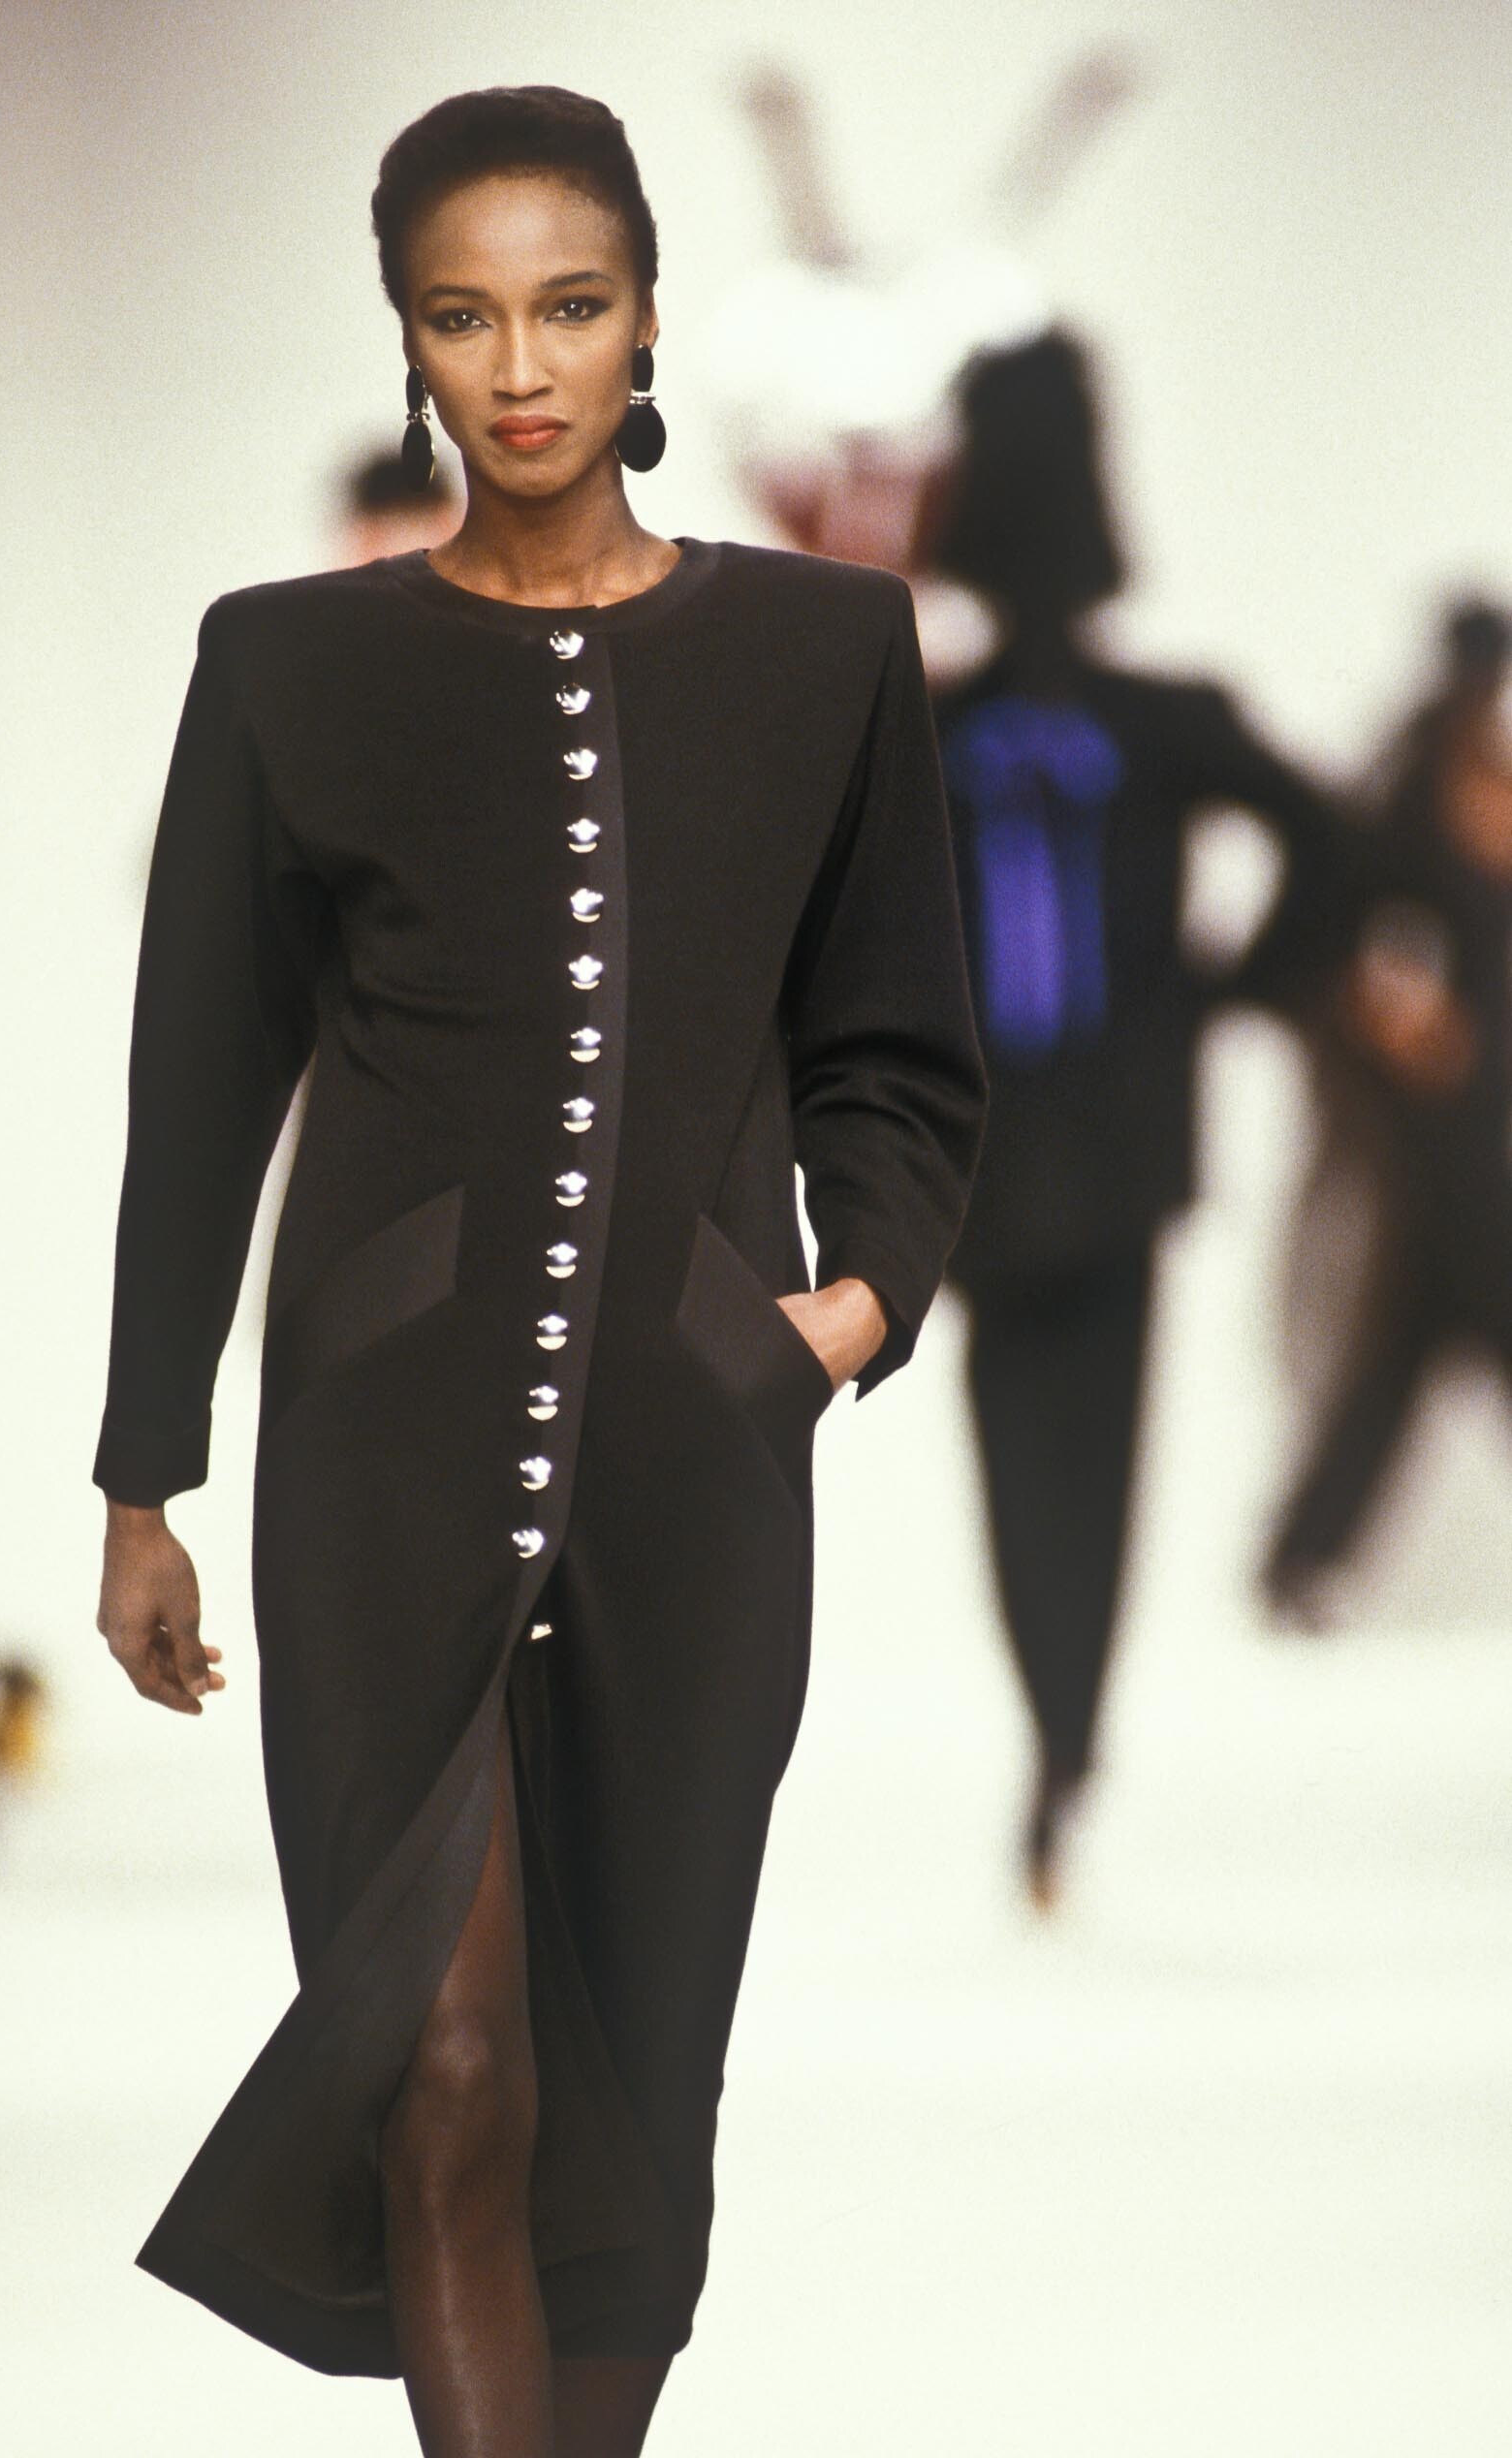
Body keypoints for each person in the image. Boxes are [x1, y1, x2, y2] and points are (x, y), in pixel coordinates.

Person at [91, 83, 985, 2458]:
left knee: (640, 2106)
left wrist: (843, 1311)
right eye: (461, 316)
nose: (518, 367)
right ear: (405, 338)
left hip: (697, 1454)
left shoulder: (821, 649)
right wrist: (144, 1475)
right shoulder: (287, 663)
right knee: (447, 2060)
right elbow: (200, 1085)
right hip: (380, 1446)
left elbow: (900, 1048)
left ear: (648, 321)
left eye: (568, 307)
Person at [927, 331, 1351, 1908]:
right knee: (1073, 1459)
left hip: (1034, 1148)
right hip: (1063, 1146)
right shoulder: (1092, 723)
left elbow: (1328, 841)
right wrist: (1225, 992)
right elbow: (1329, 838)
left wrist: (1226, 991)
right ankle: (1062, 1737)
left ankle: (1058, 1740)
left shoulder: (944, 728)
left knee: (1035, 1456)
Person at [1261, 598, 1512, 1620]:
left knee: (1401, 1345)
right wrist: (1400, 1015)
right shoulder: (1413, 785)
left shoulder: (1465, 775)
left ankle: (1299, 1558)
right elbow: (1350, 937)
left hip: (1466, 1124)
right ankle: (1297, 1558)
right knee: (1454, 1317)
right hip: (1433, 1133)